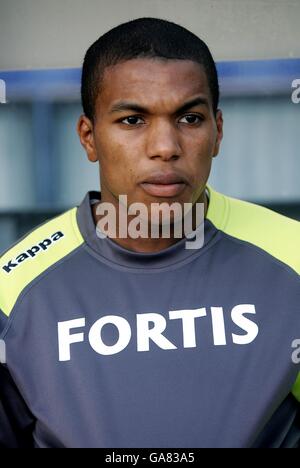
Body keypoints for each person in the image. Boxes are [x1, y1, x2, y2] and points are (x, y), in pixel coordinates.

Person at [0, 17, 299, 448]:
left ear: (218, 132)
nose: (165, 146)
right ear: (88, 137)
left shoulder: (293, 258)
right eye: (133, 120)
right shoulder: (12, 291)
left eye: (190, 118)